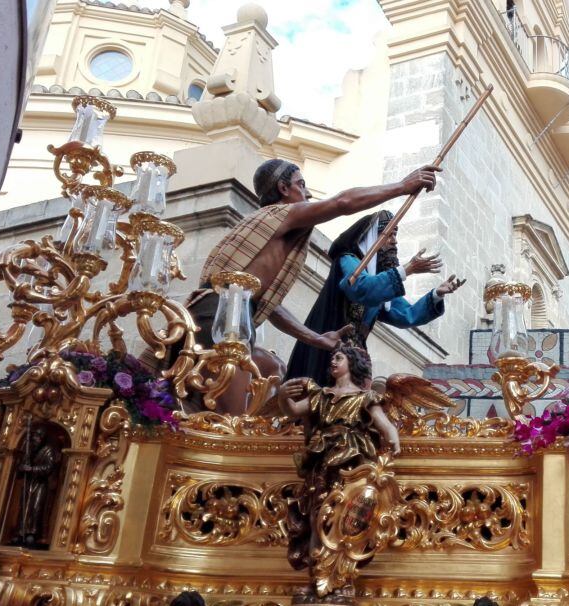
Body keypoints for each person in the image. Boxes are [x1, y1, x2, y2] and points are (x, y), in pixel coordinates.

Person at [181, 158, 440, 414]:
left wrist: (316, 339)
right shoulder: (283, 213)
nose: (308, 193)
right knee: (230, 419)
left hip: (230, 314)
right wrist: (403, 186)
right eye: (301, 185)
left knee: (241, 384)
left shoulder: (259, 239)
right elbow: (342, 203)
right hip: (223, 315)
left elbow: (270, 307)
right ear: (284, 189)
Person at [286, 210, 465, 385]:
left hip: (355, 357)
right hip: (328, 351)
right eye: (390, 234)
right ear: (373, 237)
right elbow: (361, 288)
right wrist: (407, 269)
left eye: (396, 235)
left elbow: (405, 314)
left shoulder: (380, 281)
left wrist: (436, 295)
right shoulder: (348, 259)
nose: (395, 242)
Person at [278, 345, 398, 601]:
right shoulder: (320, 395)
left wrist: (393, 438)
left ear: (352, 364)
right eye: (333, 357)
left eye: (339, 357)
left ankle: (340, 578)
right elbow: (292, 411)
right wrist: (281, 395)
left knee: (343, 522)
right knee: (316, 519)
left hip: (351, 463)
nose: (333, 360)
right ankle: (316, 579)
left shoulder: (365, 398)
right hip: (322, 461)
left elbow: (383, 423)